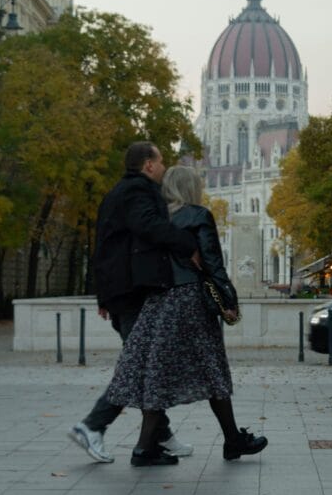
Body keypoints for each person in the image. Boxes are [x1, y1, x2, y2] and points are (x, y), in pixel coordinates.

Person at [102, 164, 268, 466]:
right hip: (190, 300)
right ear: (192, 188)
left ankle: (144, 448)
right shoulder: (197, 215)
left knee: (158, 372)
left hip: (158, 302)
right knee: (211, 367)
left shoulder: (155, 220)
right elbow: (212, 262)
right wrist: (228, 298)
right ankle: (232, 440)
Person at [68, 141, 199, 462]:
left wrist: (104, 294)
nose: (165, 167)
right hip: (133, 292)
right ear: (149, 165)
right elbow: (149, 227)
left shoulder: (118, 193)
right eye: (161, 161)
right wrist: (187, 243)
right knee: (139, 366)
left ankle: (158, 438)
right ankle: (93, 426)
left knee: (144, 366)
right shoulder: (138, 193)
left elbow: (104, 247)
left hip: (122, 291)